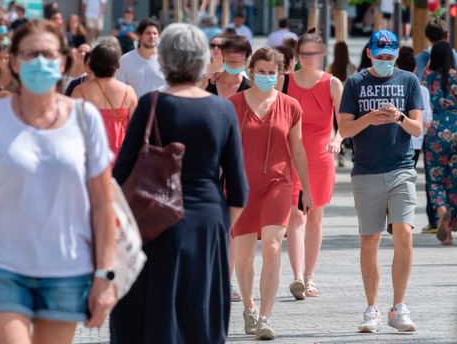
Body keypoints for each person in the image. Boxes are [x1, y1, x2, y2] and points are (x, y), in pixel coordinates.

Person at [0, 19, 117, 342]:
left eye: (48, 54)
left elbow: (102, 204)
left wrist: (103, 277)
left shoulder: (84, 118)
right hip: (2, 265)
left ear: (64, 61)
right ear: (12, 60)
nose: (40, 62)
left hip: (67, 266)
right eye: (29, 54)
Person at [110, 23, 247, 344]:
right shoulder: (222, 109)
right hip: (208, 224)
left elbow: (120, 174)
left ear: (164, 60)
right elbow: (239, 190)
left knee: (156, 314)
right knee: (200, 317)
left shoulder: (152, 104)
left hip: (155, 222)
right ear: (202, 60)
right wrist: (215, 229)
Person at [338, 29, 423, 333]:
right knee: (370, 240)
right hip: (367, 170)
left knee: (404, 234)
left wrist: (399, 117)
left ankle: (398, 306)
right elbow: (344, 129)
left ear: (397, 55)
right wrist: (368, 119)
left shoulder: (409, 81)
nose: (386, 61)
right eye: (381, 56)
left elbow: (417, 130)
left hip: (401, 168)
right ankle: (371, 308)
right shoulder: (356, 83)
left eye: (390, 56)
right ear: (370, 53)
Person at [230, 47, 312, 340]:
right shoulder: (232, 104)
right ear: (251, 72)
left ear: (280, 74)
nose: (266, 77)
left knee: (273, 246)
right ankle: (249, 308)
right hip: (240, 188)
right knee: (242, 255)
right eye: (261, 72)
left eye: (272, 72)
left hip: (278, 184)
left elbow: (299, 149)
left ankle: (265, 317)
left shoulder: (291, 106)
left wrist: (307, 190)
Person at [282, 31, 343, 300]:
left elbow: (344, 123)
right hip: (291, 157)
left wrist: (338, 140)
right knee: (297, 216)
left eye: (313, 53)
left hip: (321, 158)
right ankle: (296, 278)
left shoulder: (333, 84)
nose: (308, 58)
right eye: (303, 53)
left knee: (315, 219)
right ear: (297, 55)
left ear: (322, 55)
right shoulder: (284, 82)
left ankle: (309, 277)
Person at [72, 44, 137, 158]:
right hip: (120, 156)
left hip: (90, 154)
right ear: (116, 64)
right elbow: (135, 129)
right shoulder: (128, 92)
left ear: (92, 64)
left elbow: (72, 126)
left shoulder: (79, 91)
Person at [423, 41, 457, 245]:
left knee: (436, 178)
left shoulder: (427, 79)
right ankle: (452, 221)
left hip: (435, 130)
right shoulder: (456, 77)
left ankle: (441, 210)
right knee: (454, 179)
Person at [395, 46, 432, 167]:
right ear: (415, 68)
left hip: (394, 140)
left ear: (396, 67)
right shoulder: (423, 91)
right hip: (416, 141)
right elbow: (427, 120)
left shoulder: (393, 88)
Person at [116, 18, 165, 97]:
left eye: (155, 33)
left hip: (161, 108)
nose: (152, 36)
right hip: (136, 108)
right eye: (148, 33)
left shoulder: (166, 60)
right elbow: (120, 91)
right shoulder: (125, 60)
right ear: (139, 36)